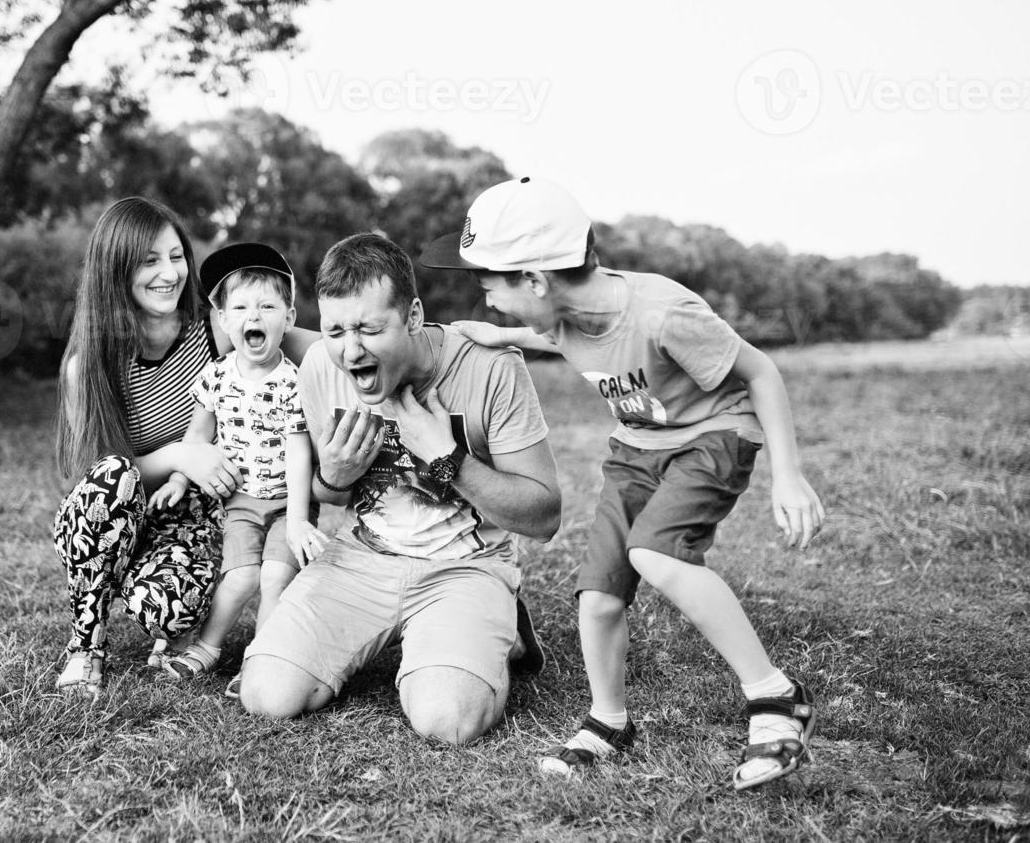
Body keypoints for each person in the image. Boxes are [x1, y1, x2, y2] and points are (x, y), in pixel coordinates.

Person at [421, 175, 826, 789]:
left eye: (491, 291)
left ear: (535, 280)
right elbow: (550, 332)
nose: (490, 305)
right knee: (600, 593)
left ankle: (775, 696)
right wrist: (501, 336)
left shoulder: (664, 313)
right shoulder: (560, 312)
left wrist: (788, 476)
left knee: (654, 554)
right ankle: (609, 722)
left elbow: (760, 371)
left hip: (713, 434)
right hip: (638, 449)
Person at [240, 232, 562, 746]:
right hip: (361, 558)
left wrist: (450, 460)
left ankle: (492, 629)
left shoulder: (491, 369)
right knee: (266, 696)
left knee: (447, 721)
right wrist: (334, 478)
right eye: (336, 330)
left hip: (465, 568)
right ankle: (426, 641)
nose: (351, 350)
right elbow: (330, 494)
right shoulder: (323, 368)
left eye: (369, 329)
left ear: (413, 316)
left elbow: (544, 516)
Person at [51, 198, 316, 698]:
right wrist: (180, 456)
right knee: (111, 477)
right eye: (150, 261)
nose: (169, 274)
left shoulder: (217, 331)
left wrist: (427, 341)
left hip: (184, 518)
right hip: (114, 523)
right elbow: (89, 483)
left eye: (176, 257)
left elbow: (333, 345)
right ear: (117, 270)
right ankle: (86, 647)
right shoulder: (87, 365)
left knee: (169, 610)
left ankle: (170, 620)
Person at [151, 243, 327, 697]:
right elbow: (198, 437)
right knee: (242, 577)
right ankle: (207, 648)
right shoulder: (215, 376)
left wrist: (301, 518)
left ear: (288, 319)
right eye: (242, 307)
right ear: (225, 320)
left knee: (275, 576)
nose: (255, 315)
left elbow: (298, 451)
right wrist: (176, 477)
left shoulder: (293, 380)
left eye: (268, 306)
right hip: (241, 504)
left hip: (289, 502)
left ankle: (260, 659)